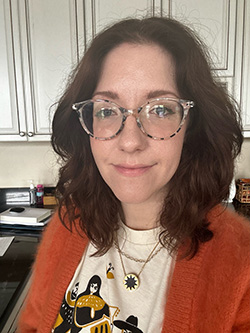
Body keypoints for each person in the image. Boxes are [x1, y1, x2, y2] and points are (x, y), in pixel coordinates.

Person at [18, 16, 250, 332]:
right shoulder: (67, 225)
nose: (129, 142)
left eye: (160, 109)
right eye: (107, 110)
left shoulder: (242, 262)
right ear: (88, 123)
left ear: (192, 125)